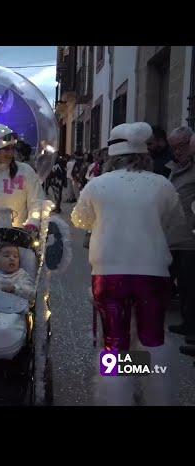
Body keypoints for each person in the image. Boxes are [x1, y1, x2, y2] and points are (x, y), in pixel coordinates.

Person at [71, 122, 187, 405]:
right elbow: (176, 226)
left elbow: (79, 219)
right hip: (153, 272)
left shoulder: (97, 184)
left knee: (115, 342)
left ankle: (116, 398)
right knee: (153, 338)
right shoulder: (162, 184)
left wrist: (104, 220)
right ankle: (155, 395)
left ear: (112, 155)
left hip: (109, 272)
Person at [166, 126, 195, 337]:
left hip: (189, 239)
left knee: (189, 286)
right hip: (174, 236)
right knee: (179, 285)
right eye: (173, 148)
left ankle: (191, 328)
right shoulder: (174, 169)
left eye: (181, 147)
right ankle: (187, 323)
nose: (177, 152)